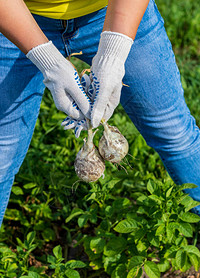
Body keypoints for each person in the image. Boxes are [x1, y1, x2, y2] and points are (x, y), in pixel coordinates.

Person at [0, 0, 200, 228]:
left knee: (172, 129)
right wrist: (47, 60)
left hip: (112, 11)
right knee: (2, 153)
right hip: (13, 21)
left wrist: (114, 52)